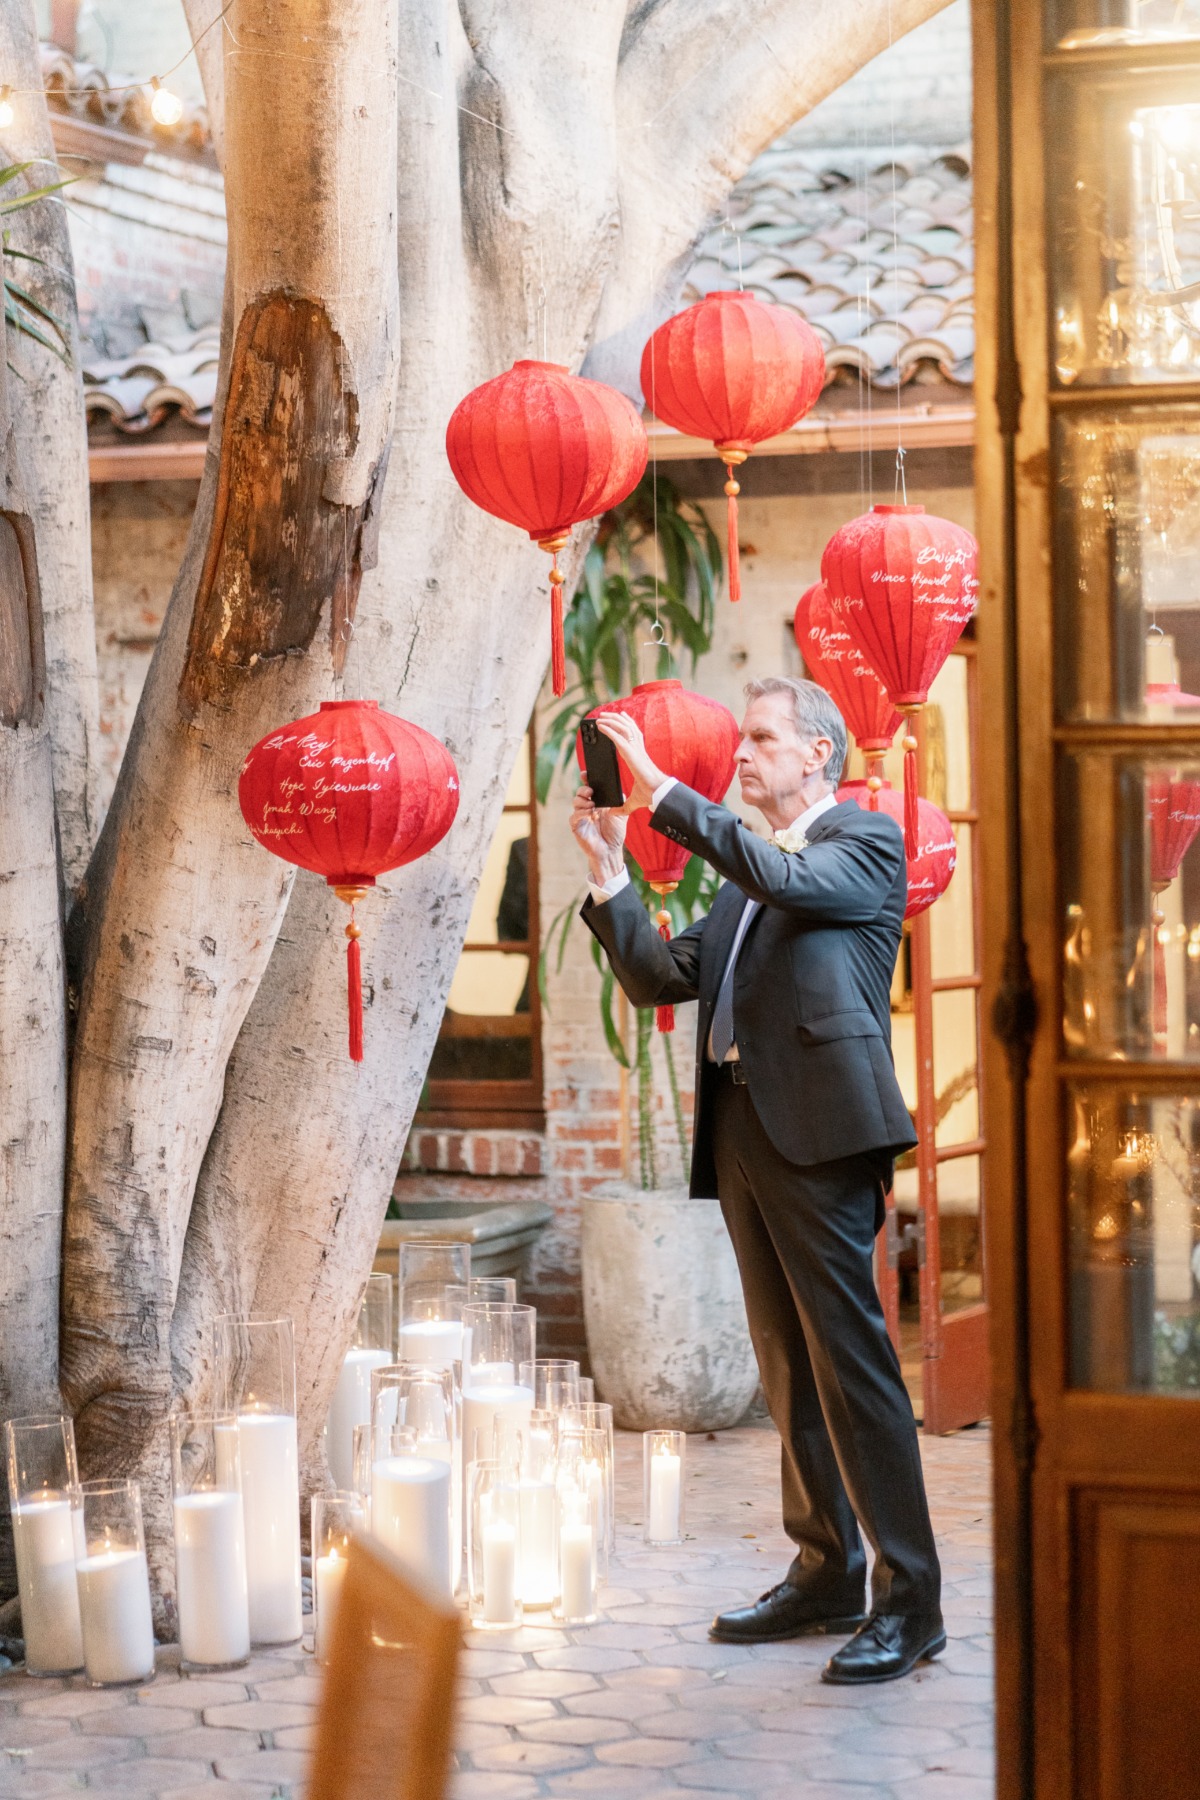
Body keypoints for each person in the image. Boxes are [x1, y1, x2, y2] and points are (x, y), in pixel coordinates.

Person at [571, 675, 943, 1685]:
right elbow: (659, 976)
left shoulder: (863, 843)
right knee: (786, 1364)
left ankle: (912, 1605)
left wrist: (656, 793)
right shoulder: (749, 880)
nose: (743, 756)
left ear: (817, 752)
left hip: (822, 1134)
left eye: (763, 739)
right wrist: (611, 875)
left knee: (851, 1366)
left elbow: (799, 884)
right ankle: (826, 1569)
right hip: (743, 1134)